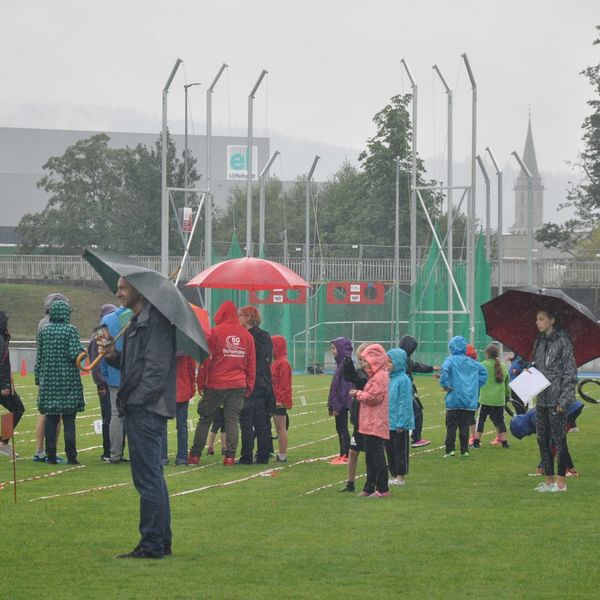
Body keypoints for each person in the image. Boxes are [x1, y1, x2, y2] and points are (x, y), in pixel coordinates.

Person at [102, 276, 176, 559]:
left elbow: (155, 373)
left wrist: (134, 402)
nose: (118, 292)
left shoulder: (155, 323)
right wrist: (112, 356)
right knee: (152, 478)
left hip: (146, 410)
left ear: (139, 290)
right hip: (143, 408)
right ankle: (160, 541)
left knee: (148, 480)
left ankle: (152, 544)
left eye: (123, 287)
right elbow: (134, 366)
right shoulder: (138, 321)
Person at [188, 300, 256, 466]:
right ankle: (230, 456)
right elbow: (251, 363)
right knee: (232, 420)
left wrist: (200, 383)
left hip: (216, 384)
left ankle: (195, 455)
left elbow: (206, 361)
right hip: (238, 384)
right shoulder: (247, 335)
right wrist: (249, 385)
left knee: (205, 419)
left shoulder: (215, 333)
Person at [530, 307, 577, 493]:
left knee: (559, 439)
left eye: (541, 319)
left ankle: (561, 482)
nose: (537, 322)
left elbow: (570, 372)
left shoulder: (563, 342)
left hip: (557, 399)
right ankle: (549, 480)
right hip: (541, 398)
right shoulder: (539, 342)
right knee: (542, 439)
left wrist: (564, 399)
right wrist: (529, 372)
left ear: (552, 320)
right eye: (537, 319)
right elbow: (538, 367)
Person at [34, 300, 85, 465]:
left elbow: (40, 357)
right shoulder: (71, 330)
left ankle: (50, 456)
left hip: (49, 381)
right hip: (68, 381)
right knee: (69, 419)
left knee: (51, 419)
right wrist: (82, 351)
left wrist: (38, 378)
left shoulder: (44, 331)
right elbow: (74, 354)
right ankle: (72, 456)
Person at [349, 343, 390, 498]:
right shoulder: (375, 376)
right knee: (370, 458)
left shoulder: (379, 377)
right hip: (369, 423)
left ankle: (382, 489)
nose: (364, 364)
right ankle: (369, 487)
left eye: (366, 360)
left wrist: (358, 394)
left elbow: (374, 397)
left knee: (377, 458)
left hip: (375, 423)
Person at [33, 293, 69, 462]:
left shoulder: (42, 323)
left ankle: (40, 451)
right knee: (56, 414)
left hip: (45, 372)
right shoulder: (59, 325)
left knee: (44, 412)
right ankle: (50, 451)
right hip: (58, 374)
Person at [238, 306, 275, 465]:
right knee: (262, 421)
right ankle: (263, 455)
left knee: (246, 420)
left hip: (251, 381)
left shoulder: (245, 336)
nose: (238, 319)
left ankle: (246, 455)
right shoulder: (265, 335)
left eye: (240, 316)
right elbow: (267, 358)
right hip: (264, 382)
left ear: (248, 318)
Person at [439, 336, 487, 458]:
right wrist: (476, 385)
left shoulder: (450, 360)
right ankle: (464, 450)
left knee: (451, 426)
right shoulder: (471, 362)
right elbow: (484, 372)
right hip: (467, 400)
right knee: (464, 426)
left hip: (453, 399)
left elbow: (444, 370)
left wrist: (445, 384)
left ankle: (450, 450)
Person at [509, 400, 582, 478]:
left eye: (525, 434)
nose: (529, 435)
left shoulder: (534, 419)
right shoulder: (531, 416)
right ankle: (544, 468)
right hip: (572, 407)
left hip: (570, 410)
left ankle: (571, 470)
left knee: (558, 444)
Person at [101, 303, 131, 464]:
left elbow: (101, 350)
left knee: (115, 415)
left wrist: (104, 371)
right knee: (133, 415)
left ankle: (114, 454)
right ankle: (136, 453)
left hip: (113, 375)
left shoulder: (105, 320)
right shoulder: (136, 317)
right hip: (133, 375)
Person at [87, 303, 117, 462]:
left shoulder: (106, 333)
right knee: (109, 416)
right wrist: (101, 382)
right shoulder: (99, 335)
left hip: (110, 380)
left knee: (113, 416)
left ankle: (113, 451)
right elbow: (96, 361)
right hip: (105, 382)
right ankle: (108, 451)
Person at [398, 335, 439, 448]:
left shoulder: (402, 357)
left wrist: (431, 368)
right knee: (416, 411)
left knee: (414, 411)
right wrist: (431, 368)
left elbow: (415, 366)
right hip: (405, 389)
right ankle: (415, 438)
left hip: (406, 388)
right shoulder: (403, 358)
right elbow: (416, 366)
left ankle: (413, 437)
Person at [339, 342, 370, 493]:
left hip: (370, 420)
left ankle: (374, 482)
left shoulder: (377, 375)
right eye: (359, 359)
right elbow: (350, 376)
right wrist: (347, 361)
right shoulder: (359, 373)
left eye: (364, 359)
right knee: (353, 451)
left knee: (372, 453)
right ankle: (350, 483)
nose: (361, 362)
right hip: (359, 419)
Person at [385, 348, 414, 486]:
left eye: (390, 362)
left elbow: (404, 403)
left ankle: (400, 477)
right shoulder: (389, 378)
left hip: (399, 424)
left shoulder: (404, 380)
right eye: (386, 361)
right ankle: (393, 475)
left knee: (400, 451)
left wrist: (402, 422)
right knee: (390, 450)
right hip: (389, 422)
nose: (388, 364)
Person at [473, 343, 510, 448]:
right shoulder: (503, 366)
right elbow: (507, 383)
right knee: (500, 421)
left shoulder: (482, 365)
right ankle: (504, 442)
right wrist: (507, 395)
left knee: (481, 419)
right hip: (499, 399)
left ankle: (476, 441)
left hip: (486, 399)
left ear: (487, 354)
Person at [0, 311, 25, 458]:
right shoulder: (1, 339)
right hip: (1, 384)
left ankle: (3, 442)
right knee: (17, 408)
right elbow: (2, 363)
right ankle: (3, 442)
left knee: (15, 409)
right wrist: (4, 385)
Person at [327, 337, 355, 465]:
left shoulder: (345, 365)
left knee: (342, 428)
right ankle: (342, 454)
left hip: (342, 403)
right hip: (340, 402)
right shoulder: (341, 364)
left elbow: (344, 388)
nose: (332, 351)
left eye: (334, 348)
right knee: (340, 428)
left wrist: (337, 406)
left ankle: (345, 455)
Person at [271, 335, 292, 462]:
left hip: (279, 401)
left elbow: (284, 384)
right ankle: (279, 453)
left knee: (281, 428)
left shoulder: (283, 363)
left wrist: (280, 400)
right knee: (278, 428)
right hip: (274, 399)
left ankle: (282, 455)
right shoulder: (276, 362)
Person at [174, 353, 197, 465]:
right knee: (182, 426)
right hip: (183, 387)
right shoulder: (187, 349)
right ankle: (182, 457)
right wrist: (192, 387)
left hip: (166, 389)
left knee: (162, 425)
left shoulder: (164, 345)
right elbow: (191, 369)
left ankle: (162, 457)